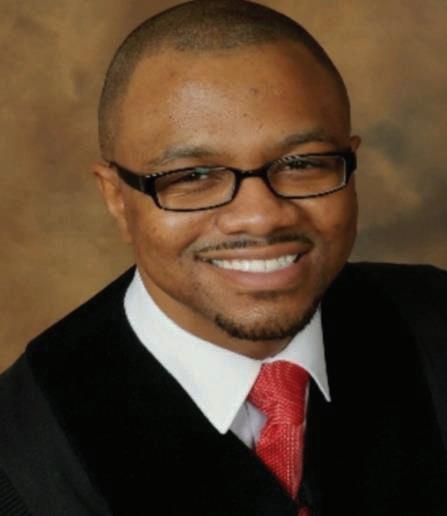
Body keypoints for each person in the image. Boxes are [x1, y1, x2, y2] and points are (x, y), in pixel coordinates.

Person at [0, 1, 446, 515]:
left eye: (302, 163)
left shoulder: (433, 326)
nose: (260, 217)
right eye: (192, 176)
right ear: (117, 198)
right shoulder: (21, 463)